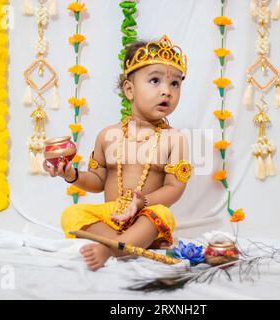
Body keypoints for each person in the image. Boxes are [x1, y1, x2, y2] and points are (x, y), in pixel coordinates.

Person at [44, 35, 192, 271]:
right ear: (129, 90)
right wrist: (71, 175)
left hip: (145, 215)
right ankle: (123, 244)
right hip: (110, 217)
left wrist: (141, 202)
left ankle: (110, 248)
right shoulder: (107, 135)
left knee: (163, 214)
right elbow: (97, 181)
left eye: (175, 84)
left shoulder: (175, 139)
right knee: (73, 214)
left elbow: (175, 189)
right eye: (155, 81)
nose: (167, 91)